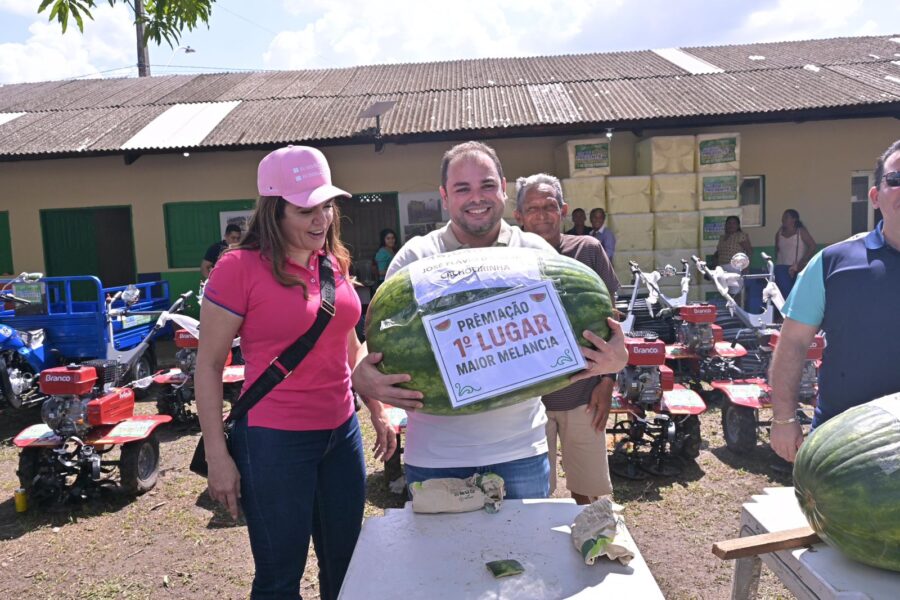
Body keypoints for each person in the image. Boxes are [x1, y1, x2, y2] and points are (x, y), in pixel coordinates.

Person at [351, 141, 628, 499]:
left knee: (523, 555)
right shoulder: (417, 257)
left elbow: (591, 331)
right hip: (435, 458)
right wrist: (361, 374)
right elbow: (375, 334)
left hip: (521, 454)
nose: (476, 197)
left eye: (486, 185)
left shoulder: (535, 255)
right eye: (462, 188)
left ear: (503, 189)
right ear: (444, 196)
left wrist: (615, 360)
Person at [195, 145, 397, 599]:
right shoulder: (238, 269)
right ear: (274, 209)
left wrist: (378, 410)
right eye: (305, 209)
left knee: (347, 568)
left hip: (341, 435)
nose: (321, 219)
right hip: (274, 441)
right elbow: (208, 366)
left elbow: (348, 341)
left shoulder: (333, 262)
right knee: (279, 578)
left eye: (326, 205)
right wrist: (218, 455)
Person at [770, 139, 900, 463]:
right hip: (844, 449)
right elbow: (792, 344)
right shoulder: (832, 263)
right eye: (896, 179)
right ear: (875, 196)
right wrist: (784, 419)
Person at [514, 173, 620, 504]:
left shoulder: (588, 250)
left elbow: (612, 321)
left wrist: (607, 382)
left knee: (588, 493)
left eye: (549, 206)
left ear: (563, 210)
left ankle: (591, 549)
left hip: (584, 396)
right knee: (533, 498)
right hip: (529, 402)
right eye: (532, 208)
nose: (542, 215)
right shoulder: (506, 262)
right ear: (518, 217)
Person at [774, 209, 816, 298]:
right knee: (785, 293)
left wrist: (803, 260)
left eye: (786, 217)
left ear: (794, 219)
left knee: (797, 293)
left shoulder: (801, 231)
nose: (783, 219)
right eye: (783, 217)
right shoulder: (779, 232)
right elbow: (777, 249)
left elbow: (812, 246)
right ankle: (786, 311)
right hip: (781, 267)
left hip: (797, 267)